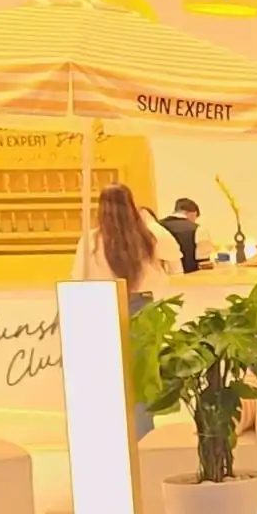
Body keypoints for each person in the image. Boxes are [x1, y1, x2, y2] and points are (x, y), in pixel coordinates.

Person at [74, 184, 167, 438]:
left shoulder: (91, 241)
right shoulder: (146, 238)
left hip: (102, 308)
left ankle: (110, 437)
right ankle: (143, 439)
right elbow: (160, 279)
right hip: (142, 309)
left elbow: (79, 279)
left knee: (106, 379)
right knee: (141, 380)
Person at [157, 198, 203, 274]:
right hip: (189, 276)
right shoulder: (196, 228)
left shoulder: (158, 226)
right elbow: (203, 262)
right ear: (193, 213)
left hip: (162, 275)